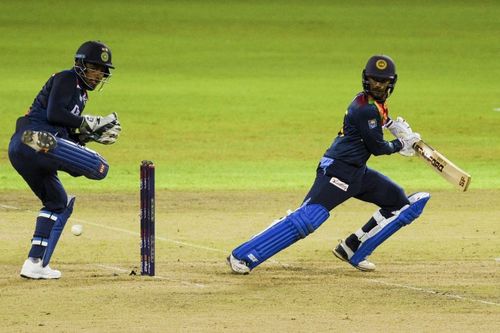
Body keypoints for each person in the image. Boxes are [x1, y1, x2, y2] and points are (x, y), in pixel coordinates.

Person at [227, 54, 430, 274]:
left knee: (398, 202)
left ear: (392, 82)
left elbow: (379, 122)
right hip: (338, 171)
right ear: (365, 78)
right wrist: (402, 143)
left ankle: (353, 247)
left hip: (356, 173)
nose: (378, 85)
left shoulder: (373, 104)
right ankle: (243, 255)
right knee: (309, 218)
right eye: (374, 79)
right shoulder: (366, 109)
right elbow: (378, 148)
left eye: (383, 81)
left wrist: (393, 126)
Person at [8, 40, 121, 279]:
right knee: (100, 167)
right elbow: (54, 113)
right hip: (33, 139)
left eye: (102, 71)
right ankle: (74, 154)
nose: (98, 74)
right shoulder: (67, 78)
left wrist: (87, 136)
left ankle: (35, 263)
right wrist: (86, 122)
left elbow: (64, 129)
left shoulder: (81, 96)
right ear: (80, 64)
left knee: (58, 202)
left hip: (23, 151)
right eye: (94, 67)